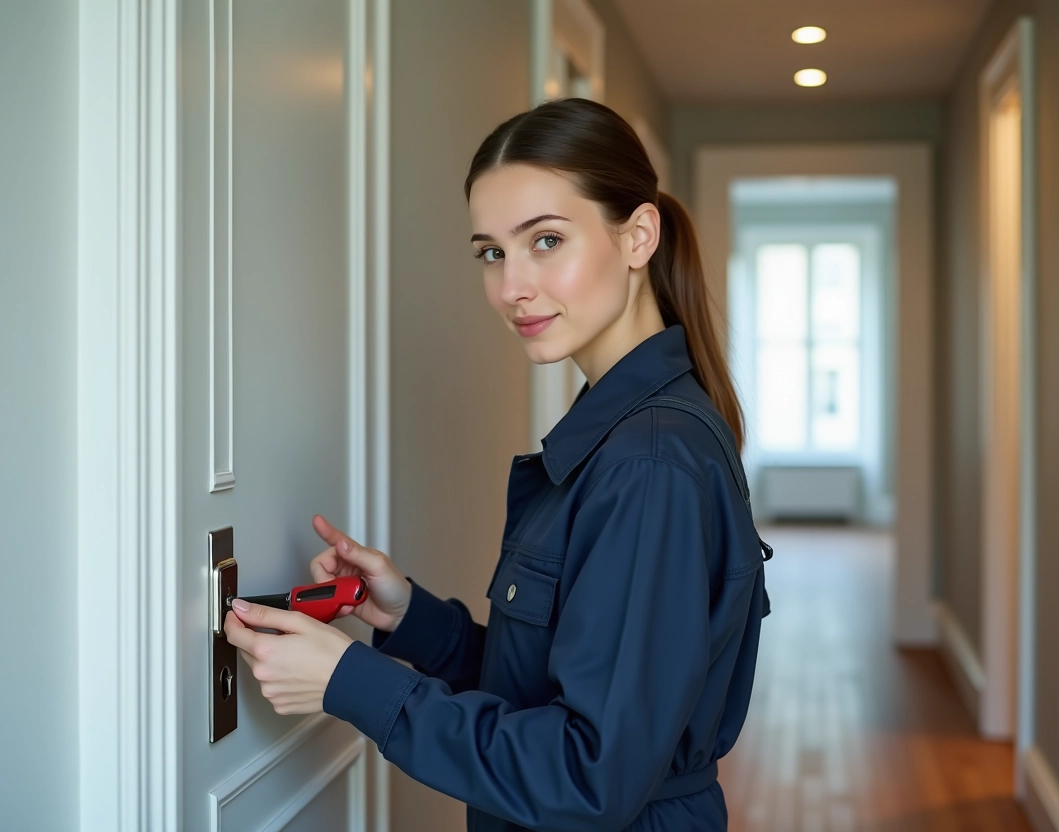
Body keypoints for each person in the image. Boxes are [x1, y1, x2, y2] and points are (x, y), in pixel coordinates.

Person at [224, 97, 772, 832]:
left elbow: (588, 774)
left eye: (545, 241)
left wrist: (349, 682)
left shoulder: (647, 462)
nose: (512, 287)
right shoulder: (619, 435)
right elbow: (557, 684)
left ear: (638, 236)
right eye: (492, 252)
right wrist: (409, 618)